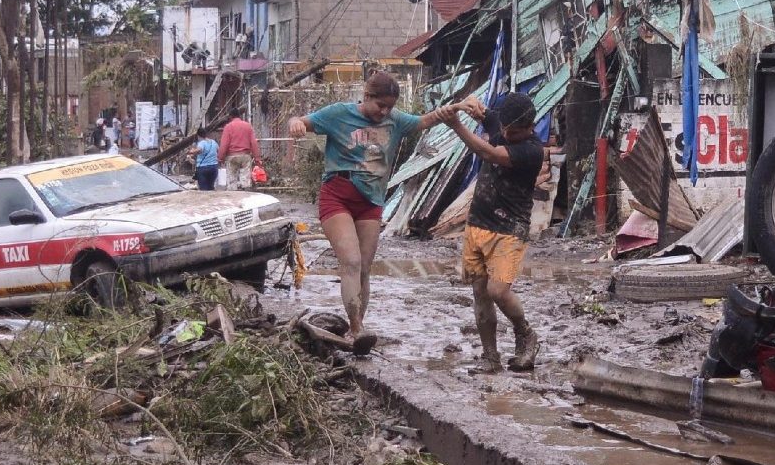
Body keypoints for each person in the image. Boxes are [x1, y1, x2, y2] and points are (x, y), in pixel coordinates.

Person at [288, 71, 472, 356]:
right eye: (380, 105)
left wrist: (457, 108)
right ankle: (357, 328)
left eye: (389, 107)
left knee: (363, 267)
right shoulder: (338, 114)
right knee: (350, 261)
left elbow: (426, 120)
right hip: (337, 195)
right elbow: (303, 121)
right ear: (366, 95)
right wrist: (296, 123)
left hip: (371, 202)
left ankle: (356, 327)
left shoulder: (395, 120)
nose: (384, 112)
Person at [441, 92, 543, 373]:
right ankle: (490, 356)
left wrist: (458, 126)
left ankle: (525, 333)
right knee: (479, 292)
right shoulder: (504, 125)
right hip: (478, 222)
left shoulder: (532, 150)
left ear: (530, 128)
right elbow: (481, 109)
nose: (508, 135)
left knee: (497, 289)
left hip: (511, 227)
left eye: (516, 132)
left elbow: (489, 153)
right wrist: (472, 105)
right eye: (505, 129)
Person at [218, 107, 261, 190]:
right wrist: (257, 158)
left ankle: (234, 196)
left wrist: (220, 158)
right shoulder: (248, 126)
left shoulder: (228, 127)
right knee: (245, 180)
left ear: (230, 117)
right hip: (245, 156)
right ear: (239, 115)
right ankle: (245, 194)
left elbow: (224, 144)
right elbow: (253, 142)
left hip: (232, 157)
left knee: (232, 181)